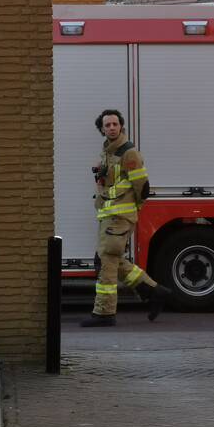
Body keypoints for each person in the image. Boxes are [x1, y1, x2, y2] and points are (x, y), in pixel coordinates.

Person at [82, 109, 171, 327]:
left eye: (115, 124)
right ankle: (155, 292)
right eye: (107, 125)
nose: (111, 127)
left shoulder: (129, 153)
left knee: (107, 262)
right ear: (102, 129)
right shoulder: (108, 151)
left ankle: (104, 313)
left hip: (119, 217)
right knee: (113, 259)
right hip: (109, 216)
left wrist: (132, 210)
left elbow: (143, 187)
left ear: (121, 126)